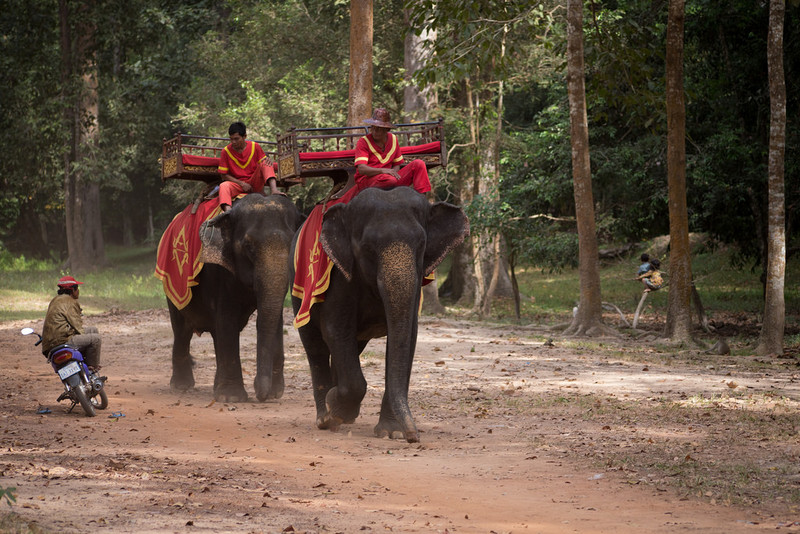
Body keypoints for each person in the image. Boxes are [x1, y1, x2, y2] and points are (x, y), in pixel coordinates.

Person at [334, 108, 432, 201]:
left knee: (419, 164)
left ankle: (422, 200)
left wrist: (393, 173)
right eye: (373, 128)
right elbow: (362, 169)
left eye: (379, 129)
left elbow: (397, 164)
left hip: (389, 179)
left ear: (386, 130)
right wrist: (383, 171)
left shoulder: (393, 139)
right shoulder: (363, 142)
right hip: (368, 180)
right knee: (389, 180)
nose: (375, 131)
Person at [217, 122, 284, 212]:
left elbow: (264, 163)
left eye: (236, 139)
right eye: (231, 139)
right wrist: (242, 184)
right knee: (223, 185)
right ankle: (228, 212)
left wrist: (266, 159)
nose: (233, 142)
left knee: (265, 162)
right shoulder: (225, 151)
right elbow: (223, 175)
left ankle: (274, 190)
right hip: (238, 184)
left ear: (244, 136)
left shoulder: (255, 146)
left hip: (255, 182)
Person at [41, 276, 102, 369]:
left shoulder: (55, 300)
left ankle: (82, 361)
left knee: (93, 330)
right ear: (72, 290)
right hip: (62, 340)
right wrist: (82, 337)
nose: (78, 291)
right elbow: (77, 326)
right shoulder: (70, 301)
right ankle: (92, 367)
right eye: (77, 288)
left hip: (49, 344)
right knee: (96, 339)